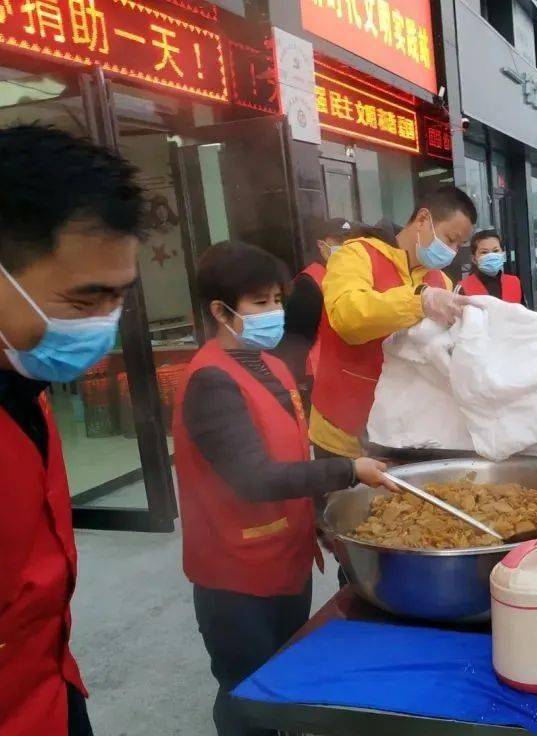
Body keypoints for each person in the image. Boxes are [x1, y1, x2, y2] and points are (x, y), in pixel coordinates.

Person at [0, 125, 146, 734]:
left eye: (119, 296)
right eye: (85, 300)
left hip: (50, 692)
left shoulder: (11, 367)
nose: (105, 324)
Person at [173, 241, 394, 736]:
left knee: (280, 675)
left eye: (277, 300)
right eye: (259, 303)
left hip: (285, 557)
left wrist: (320, 519)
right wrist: (348, 471)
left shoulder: (270, 364)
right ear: (220, 311)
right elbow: (253, 478)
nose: (274, 312)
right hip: (236, 573)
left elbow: (294, 452)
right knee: (246, 691)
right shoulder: (211, 382)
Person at [309, 185, 477, 459]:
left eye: (459, 245)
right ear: (423, 220)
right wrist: (418, 301)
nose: (453, 251)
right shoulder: (357, 255)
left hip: (406, 435)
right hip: (344, 431)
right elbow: (347, 317)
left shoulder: (440, 281)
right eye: (450, 239)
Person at [282, 217, 352, 405]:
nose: (346, 246)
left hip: (345, 371)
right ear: (321, 245)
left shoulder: (349, 276)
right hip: (318, 375)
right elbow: (296, 338)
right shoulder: (309, 284)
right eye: (339, 241)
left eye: (349, 240)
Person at [454, 229, 522, 303]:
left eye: (495, 251)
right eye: (484, 252)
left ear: (502, 254)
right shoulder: (463, 287)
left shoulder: (515, 282)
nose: (491, 255)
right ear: (474, 259)